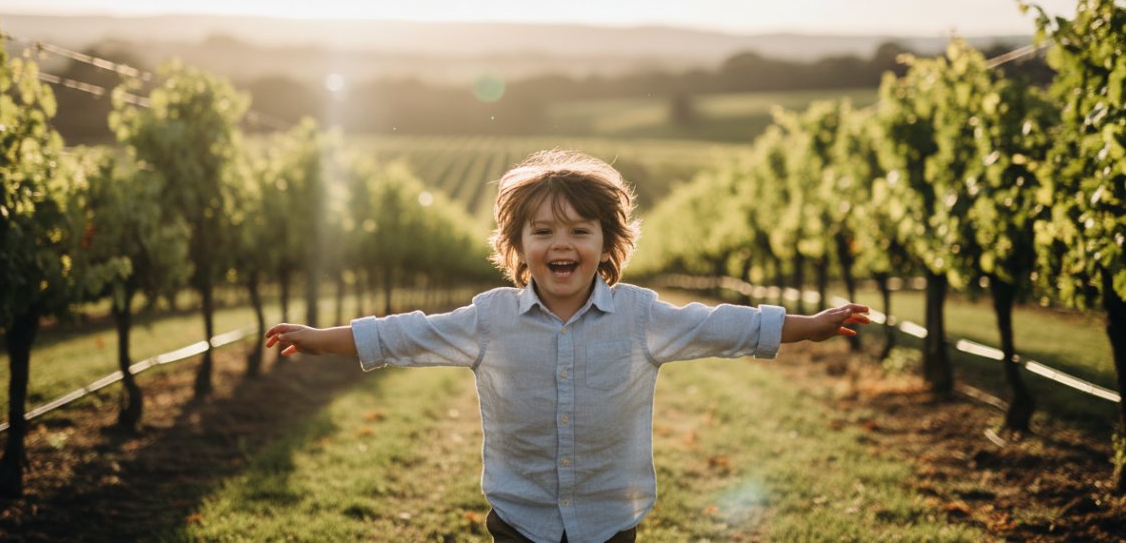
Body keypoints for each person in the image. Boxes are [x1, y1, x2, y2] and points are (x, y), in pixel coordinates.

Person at [265, 149, 870, 543]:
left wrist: (808, 325)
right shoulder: (489, 318)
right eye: (544, 231)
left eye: (581, 231)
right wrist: (324, 340)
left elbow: (721, 326)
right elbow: (405, 334)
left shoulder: (639, 315)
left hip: (612, 519)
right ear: (518, 245)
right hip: (518, 519)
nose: (563, 243)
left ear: (607, 244)